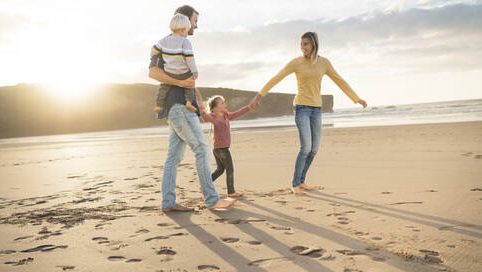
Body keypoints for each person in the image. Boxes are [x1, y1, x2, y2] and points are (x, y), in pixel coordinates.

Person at [250, 31, 367, 195]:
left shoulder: (324, 63)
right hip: (301, 108)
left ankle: (302, 181)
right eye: (301, 44)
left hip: (316, 109)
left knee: (314, 149)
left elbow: (339, 80)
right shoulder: (296, 63)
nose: (302, 47)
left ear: (314, 44)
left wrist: (356, 98)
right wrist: (258, 96)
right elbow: (277, 78)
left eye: (305, 44)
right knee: (306, 147)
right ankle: (295, 184)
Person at [149, 5, 236, 211]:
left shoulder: (178, 47)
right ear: (185, 21)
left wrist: (195, 95)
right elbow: (153, 73)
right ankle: (212, 200)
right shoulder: (165, 46)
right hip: (178, 107)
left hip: (177, 107)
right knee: (202, 148)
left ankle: (168, 202)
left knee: (173, 156)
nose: (196, 25)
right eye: (195, 20)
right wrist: (182, 84)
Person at [199, 95, 255, 198]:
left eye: (224, 102)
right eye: (222, 103)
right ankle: (231, 191)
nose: (225, 104)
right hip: (221, 149)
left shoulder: (226, 115)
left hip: (220, 149)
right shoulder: (213, 116)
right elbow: (206, 118)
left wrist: (249, 107)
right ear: (214, 108)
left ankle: (205, 185)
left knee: (220, 170)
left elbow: (238, 113)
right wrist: (202, 111)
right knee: (230, 169)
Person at [153, 13, 198, 115]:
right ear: (183, 30)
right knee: (190, 85)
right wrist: (194, 72)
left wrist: (153, 54)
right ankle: (189, 102)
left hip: (169, 72)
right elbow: (190, 59)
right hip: (183, 72)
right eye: (187, 30)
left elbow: (154, 49)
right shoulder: (185, 42)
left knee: (163, 88)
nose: (187, 33)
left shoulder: (164, 40)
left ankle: (158, 105)